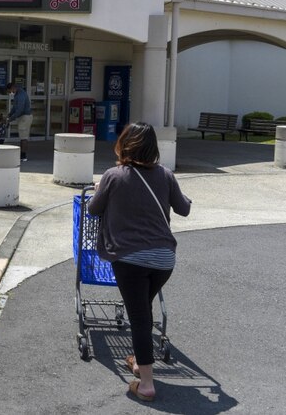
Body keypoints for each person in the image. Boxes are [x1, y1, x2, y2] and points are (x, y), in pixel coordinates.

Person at [87, 122, 192, 403]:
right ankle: (137, 359)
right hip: (163, 260)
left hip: (129, 258)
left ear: (125, 145)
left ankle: (146, 383)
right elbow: (183, 209)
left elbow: (93, 209)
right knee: (142, 309)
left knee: (139, 318)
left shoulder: (113, 175)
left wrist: (101, 188)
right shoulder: (166, 175)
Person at [7, 83, 32, 162]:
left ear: (13, 88)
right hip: (22, 117)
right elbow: (15, 107)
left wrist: (11, 119)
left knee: (23, 137)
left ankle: (23, 155)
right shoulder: (17, 94)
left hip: (25, 117)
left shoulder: (21, 95)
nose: (10, 92)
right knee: (22, 137)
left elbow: (19, 110)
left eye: (10, 90)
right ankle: (21, 154)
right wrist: (10, 114)